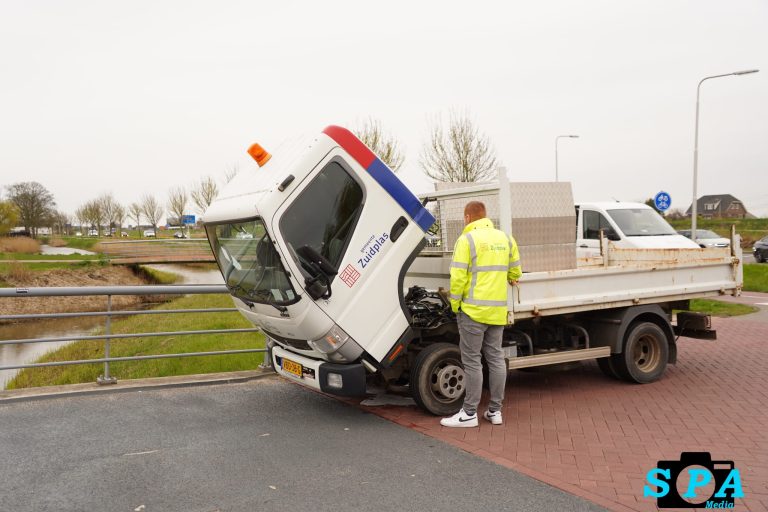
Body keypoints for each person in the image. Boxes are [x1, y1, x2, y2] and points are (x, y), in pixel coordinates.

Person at [440, 201, 522, 428]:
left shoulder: (466, 240)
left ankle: (469, 414)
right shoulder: (506, 239)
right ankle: (495, 412)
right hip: (497, 311)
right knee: (496, 358)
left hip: (473, 311)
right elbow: (516, 270)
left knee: (472, 361)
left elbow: (458, 277)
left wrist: (455, 304)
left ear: (467, 217)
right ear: (486, 216)